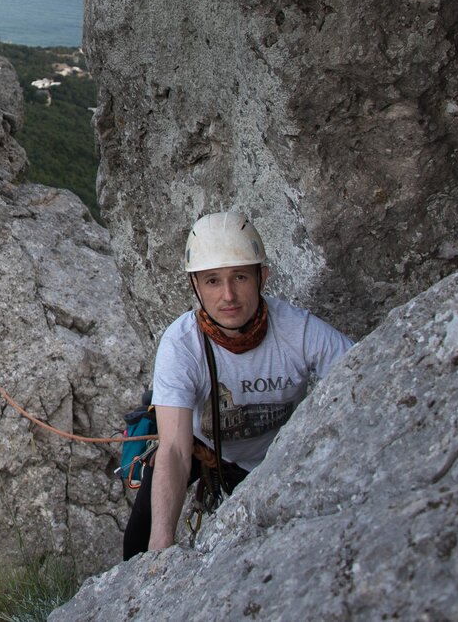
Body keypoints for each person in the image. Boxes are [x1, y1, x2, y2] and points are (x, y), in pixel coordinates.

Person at [123, 211, 353, 558]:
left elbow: (362, 373)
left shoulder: (299, 331)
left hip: (276, 461)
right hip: (207, 453)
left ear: (263, 277)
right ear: (195, 286)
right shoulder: (182, 344)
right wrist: (158, 553)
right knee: (140, 536)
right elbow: (173, 450)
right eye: (213, 280)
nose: (228, 295)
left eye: (240, 277)